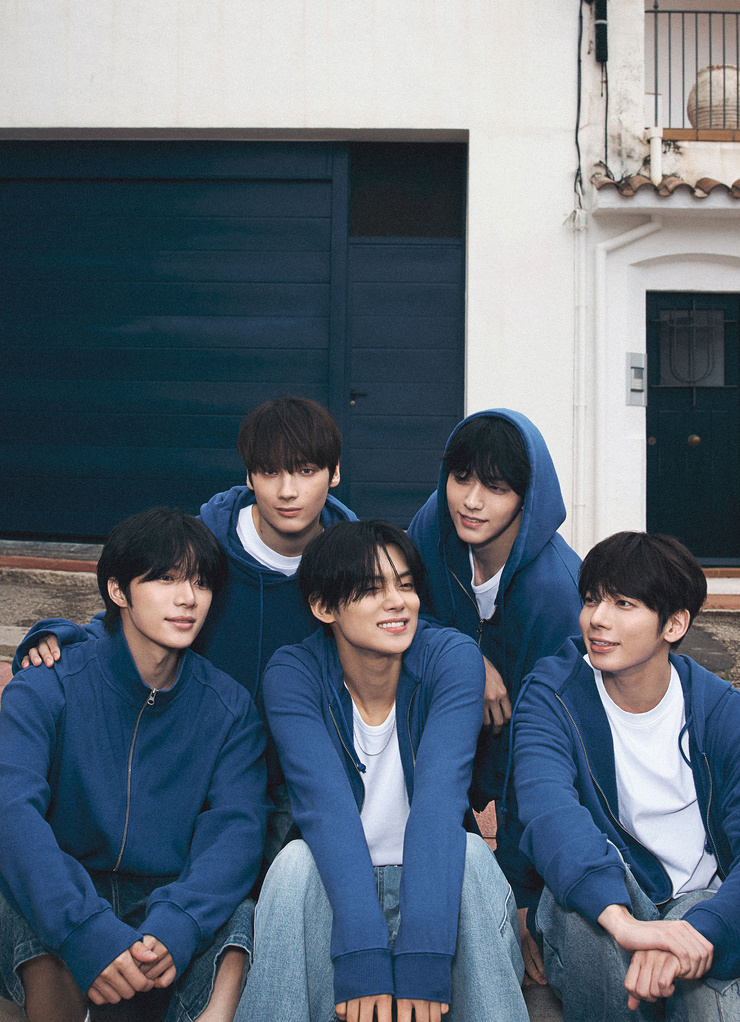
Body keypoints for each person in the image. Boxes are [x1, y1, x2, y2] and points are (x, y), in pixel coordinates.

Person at [13, 396, 357, 859]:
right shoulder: (201, 548)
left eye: (306, 471)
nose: (287, 491)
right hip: (202, 763)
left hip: (299, 781)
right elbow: (135, 612)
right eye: (270, 471)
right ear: (250, 476)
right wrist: (61, 636)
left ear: (334, 474)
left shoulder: (354, 565)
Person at [237, 520, 528, 1022]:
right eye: (373, 590)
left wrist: (423, 951)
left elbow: (439, 802)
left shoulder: (452, 660)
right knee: (292, 866)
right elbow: (325, 809)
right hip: (336, 893)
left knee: (472, 855)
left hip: (435, 887)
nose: (398, 602)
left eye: (406, 585)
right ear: (324, 607)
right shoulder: (293, 675)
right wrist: (363, 949)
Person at [0, 507, 268, 1022]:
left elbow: (236, 831)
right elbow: (12, 812)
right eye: (166, 579)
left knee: (238, 918)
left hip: (165, 903)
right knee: (19, 890)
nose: (188, 598)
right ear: (118, 591)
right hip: (68, 890)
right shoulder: (48, 684)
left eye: (201, 582)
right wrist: (83, 929)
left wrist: (177, 925)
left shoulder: (229, 708)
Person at [513, 531, 740, 1021]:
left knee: (709, 996)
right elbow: (550, 814)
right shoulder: (552, 695)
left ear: (674, 624)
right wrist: (626, 925)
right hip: (603, 893)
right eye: (591, 599)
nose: (597, 618)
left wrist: (698, 931)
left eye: (623, 603)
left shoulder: (721, 712)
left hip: (697, 901)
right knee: (587, 929)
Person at [407, 408, 582, 979]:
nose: (472, 501)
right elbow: (394, 613)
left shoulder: (555, 593)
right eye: (461, 479)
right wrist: (464, 655)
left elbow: (543, 749)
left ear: (527, 498)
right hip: (446, 729)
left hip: (521, 748)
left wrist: (522, 894)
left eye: (497, 487)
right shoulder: (433, 528)